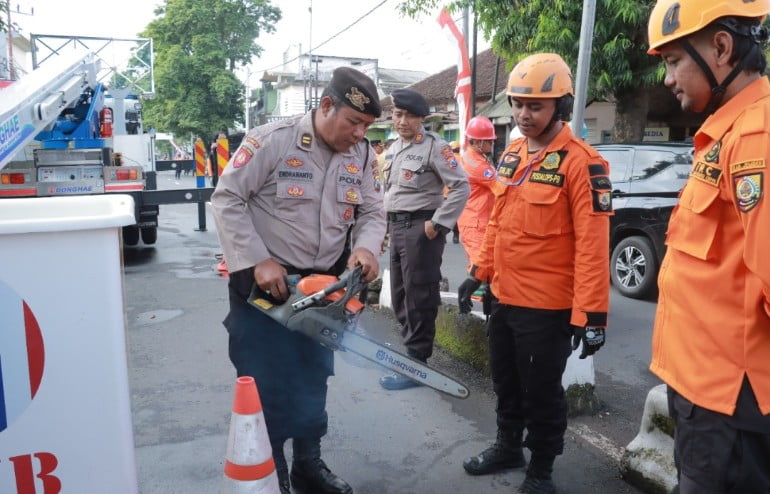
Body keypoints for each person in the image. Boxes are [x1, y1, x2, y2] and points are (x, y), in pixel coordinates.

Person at [211, 66, 385, 494]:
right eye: (354, 122)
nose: (360, 134)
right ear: (326, 106)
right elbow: (227, 198)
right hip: (266, 287)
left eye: (366, 126)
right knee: (267, 379)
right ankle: (277, 471)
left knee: (312, 376)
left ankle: (309, 463)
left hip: (323, 288)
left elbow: (372, 211)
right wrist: (256, 260)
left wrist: (365, 248)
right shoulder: (273, 141)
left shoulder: (361, 156)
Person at [457, 53, 612, 494]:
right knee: (505, 380)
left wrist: (592, 315)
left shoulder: (583, 164)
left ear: (560, 107)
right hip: (504, 296)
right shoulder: (512, 154)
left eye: (535, 106)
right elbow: (497, 223)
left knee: (543, 392)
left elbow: (592, 248)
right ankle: (509, 445)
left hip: (548, 309)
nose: (523, 115)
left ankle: (541, 468)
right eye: (518, 104)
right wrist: (479, 271)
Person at [646, 1, 770, 492]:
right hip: (705, 394)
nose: (667, 79)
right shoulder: (726, 134)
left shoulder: (757, 139)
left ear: (720, 48)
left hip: (730, 407)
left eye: (674, 61)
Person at [379, 87, 469, 390]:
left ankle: (417, 363)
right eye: (398, 114)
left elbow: (461, 187)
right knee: (400, 293)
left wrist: (438, 224)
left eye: (409, 116)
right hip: (397, 227)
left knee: (419, 293)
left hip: (421, 229)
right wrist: (383, 228)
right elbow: (389, 194)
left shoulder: (435, 147)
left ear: (421, 119)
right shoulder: (393, 149)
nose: (402, 121)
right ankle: (411, 352)